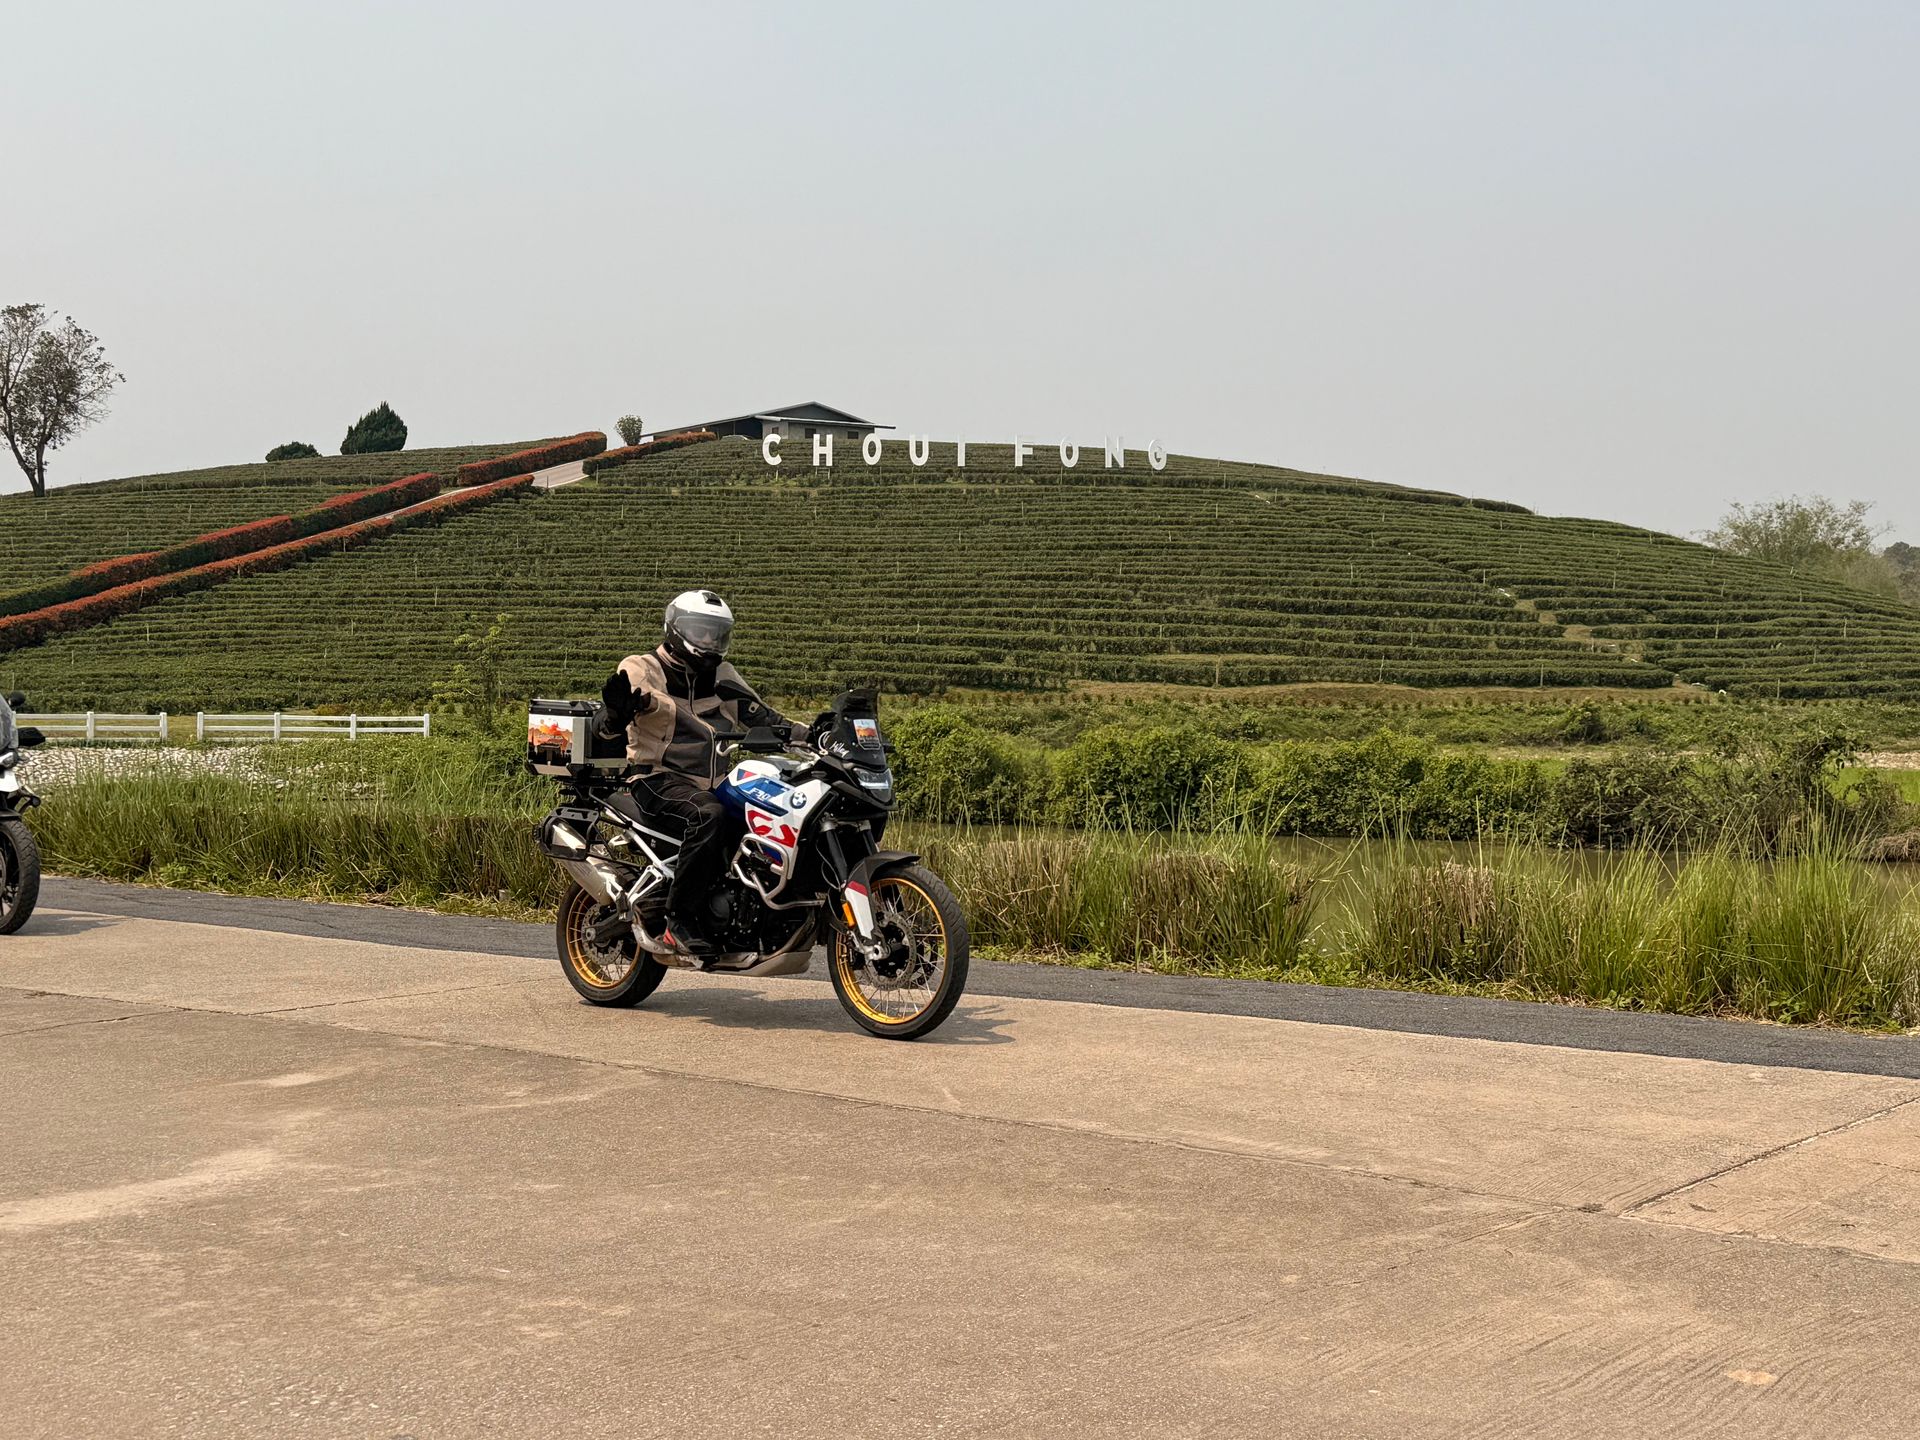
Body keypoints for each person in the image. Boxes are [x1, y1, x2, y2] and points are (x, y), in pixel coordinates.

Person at [594, 591, 789, 954]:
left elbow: (762, 717)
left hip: (713, 784)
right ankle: (678, 921)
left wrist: (817, 734)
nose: (710, 641)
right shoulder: (643, 667)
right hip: (656, 780)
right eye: (702, 631)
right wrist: (615, 715)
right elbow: (606, 726)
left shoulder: (722, 676)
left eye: (717, 633)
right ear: (676, 628)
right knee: (708, 814)